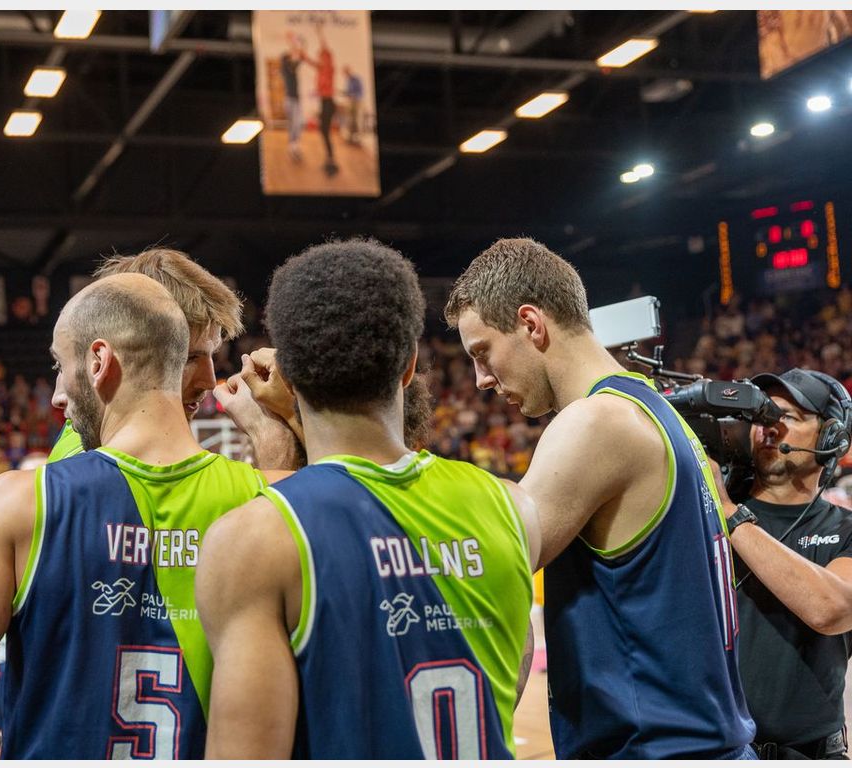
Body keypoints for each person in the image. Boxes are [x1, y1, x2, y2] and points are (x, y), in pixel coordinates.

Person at [0, 273, 278, 759]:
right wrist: (270, 432)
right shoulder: (267, 499)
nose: (57, 396)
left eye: (61, 365)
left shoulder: (26, 498)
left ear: (99, 361)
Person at [198, 238, 539, 759]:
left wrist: (273, 437)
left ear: (289, 376)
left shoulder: (252, 539)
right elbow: (507, 684)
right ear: (409, 366)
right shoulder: (514, 509)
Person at [443, 237, 755, 758]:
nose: (481, 380)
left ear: (531, 324)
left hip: (655, 751)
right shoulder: (655, 407)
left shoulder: (595, 422)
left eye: (482, 353)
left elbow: (486, 566)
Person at [46, 247, 299, 471]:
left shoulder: (89, 444)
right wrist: (270, 432)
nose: (209, 382)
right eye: (187, 358)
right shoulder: (88, 453)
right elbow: (278, 510)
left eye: (212, 355)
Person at [712, 368, 852, 759]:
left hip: (810, 755)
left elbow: (831, 608)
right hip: (716, 752)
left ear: (830, 437)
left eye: (786, 416)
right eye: (761, 415)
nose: (769, 427)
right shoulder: (705, 514)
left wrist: (730, 513)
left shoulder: (845, 529)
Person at [299, 22, 338, 176]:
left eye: (321, 56)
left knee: (324, 131)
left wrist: (319, 32)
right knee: (323, 131)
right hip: (324, 103)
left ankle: (330, 158)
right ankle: (330, 158)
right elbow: (309, 61)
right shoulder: (321, 69)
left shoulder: (328, 67)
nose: (319, 58)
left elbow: (324, 48)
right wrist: (303, 56)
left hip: (328, 103)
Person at [281, 32, 304, 161]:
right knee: (296, 123)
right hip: (291, 100)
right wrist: (292, 41)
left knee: (296, 124)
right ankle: (293, 146)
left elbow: (298, 56)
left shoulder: (291, 69)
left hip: (293, 99)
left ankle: (294, 146)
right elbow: (295, 54)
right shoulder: (286, 69)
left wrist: (293, 42)